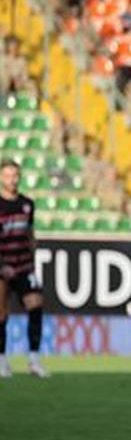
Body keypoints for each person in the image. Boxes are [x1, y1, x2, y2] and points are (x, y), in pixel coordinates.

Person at [0, 159, 48, 378]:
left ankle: (34, 360)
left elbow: (29, 231)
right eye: (9, 175)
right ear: (1, 178)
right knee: (1, 313)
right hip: (3, 266)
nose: (13, 180)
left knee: (36, 304)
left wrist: (32, 245)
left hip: (24, 266)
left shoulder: (27, 204)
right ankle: (1, 360)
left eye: (16, 175)